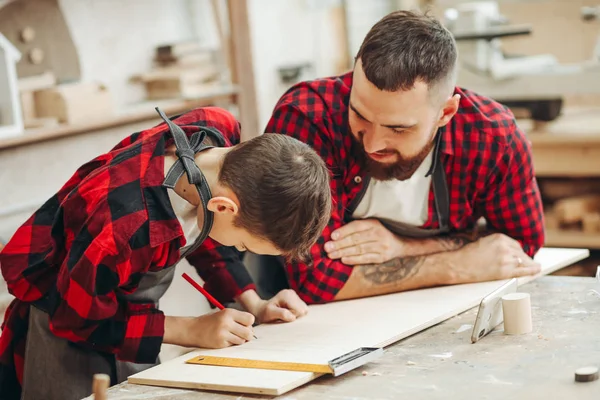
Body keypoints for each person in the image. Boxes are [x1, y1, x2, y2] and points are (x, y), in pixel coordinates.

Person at [0, 106, 332, 400]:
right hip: (70, 318)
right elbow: (79, 318)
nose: (238, 249)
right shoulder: (126, 226)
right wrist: (190, 330)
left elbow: (206, 223)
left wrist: (253, 301)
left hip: (121, 307)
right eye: (243, 245)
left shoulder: (218, 135)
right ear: (223, 205)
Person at [260, 10, 545, 304]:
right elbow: (315, 278)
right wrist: (456, 264)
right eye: (359, 114)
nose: (372, 143)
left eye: (398, 128)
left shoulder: (492, 138)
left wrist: (403, 247)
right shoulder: (308, 117)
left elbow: (518, 246)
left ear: (445, 113)